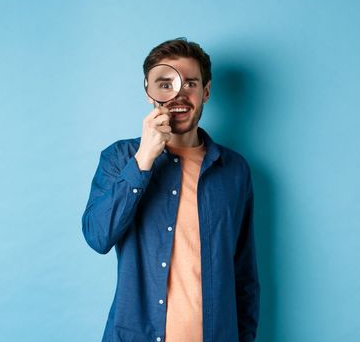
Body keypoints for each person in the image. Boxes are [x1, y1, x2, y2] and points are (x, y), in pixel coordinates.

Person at [81, 38, 259, 342]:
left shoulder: (235, 170)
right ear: (149, 92)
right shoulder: (119, 159)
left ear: (206, 92)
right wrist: (143, 161)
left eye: (190, 84)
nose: (178, 94)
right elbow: (98, 236)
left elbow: (243, 273)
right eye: (166, 84)